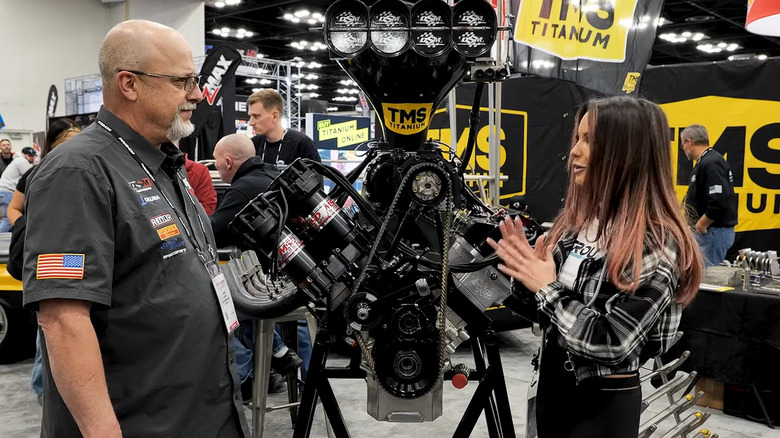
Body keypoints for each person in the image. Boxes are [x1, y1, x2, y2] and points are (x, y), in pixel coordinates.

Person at [22, 20, 248, 438]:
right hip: (141, 421)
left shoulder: (163, 162)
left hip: (199, 411)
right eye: (182, 81)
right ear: (129, 84)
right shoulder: (78, 171)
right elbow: (63, 319)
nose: (197, 94)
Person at [488, 96, 703, 438]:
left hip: (602, 404)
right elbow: (549, 315)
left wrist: (546, 288)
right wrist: (518, 273)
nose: (574, 151)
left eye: (589, 141)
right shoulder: (578, 225)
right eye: (578, 138)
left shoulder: (656, 244)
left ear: (626, 153)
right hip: (554, 387)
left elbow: (613, 343)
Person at [210, 133, 304, 401]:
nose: (216, 168)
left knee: (220, 303)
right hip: (291, 273)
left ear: (228, 162)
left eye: (216, 162)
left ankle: (247, 375)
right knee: (242, 302)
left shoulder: (244, 188)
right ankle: (279, 357)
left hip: (276, 279)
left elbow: (213, 232)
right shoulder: (270, 174)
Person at [4, 118, 82, 404]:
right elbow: (14, 209)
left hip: (78, 256)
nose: (75, 147)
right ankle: (43, 388)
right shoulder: (36, 174)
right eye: (68, 142)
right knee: (50, 323)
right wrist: (30, 227)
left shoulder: (87, 171)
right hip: (49, 257)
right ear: (53, 144)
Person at [680, 124, 738, 267]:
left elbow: (719, 200)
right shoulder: (705, 161)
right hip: (709, 232)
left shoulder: (711, 162)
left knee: (708, 277)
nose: (683, 149)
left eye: (682, 145)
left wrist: (701, 224)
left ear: (689, 142)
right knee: (701, 274)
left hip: (713, 232)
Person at [247, 89, 321, 167]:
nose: (251, 122)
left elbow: (316, 174)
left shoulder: (302, 144)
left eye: (256, 116)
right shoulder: (252, 145)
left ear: (274, 116)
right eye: (250, 116)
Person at [0, 146, 37, 232]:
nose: (31, 158)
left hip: (3, 191)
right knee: (8, 219)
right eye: (29, 155)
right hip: (7, 191)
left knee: (4, 219)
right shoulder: (22, 161)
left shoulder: (17, 160)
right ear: (24, 154)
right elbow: (31, 176)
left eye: (33, 156)